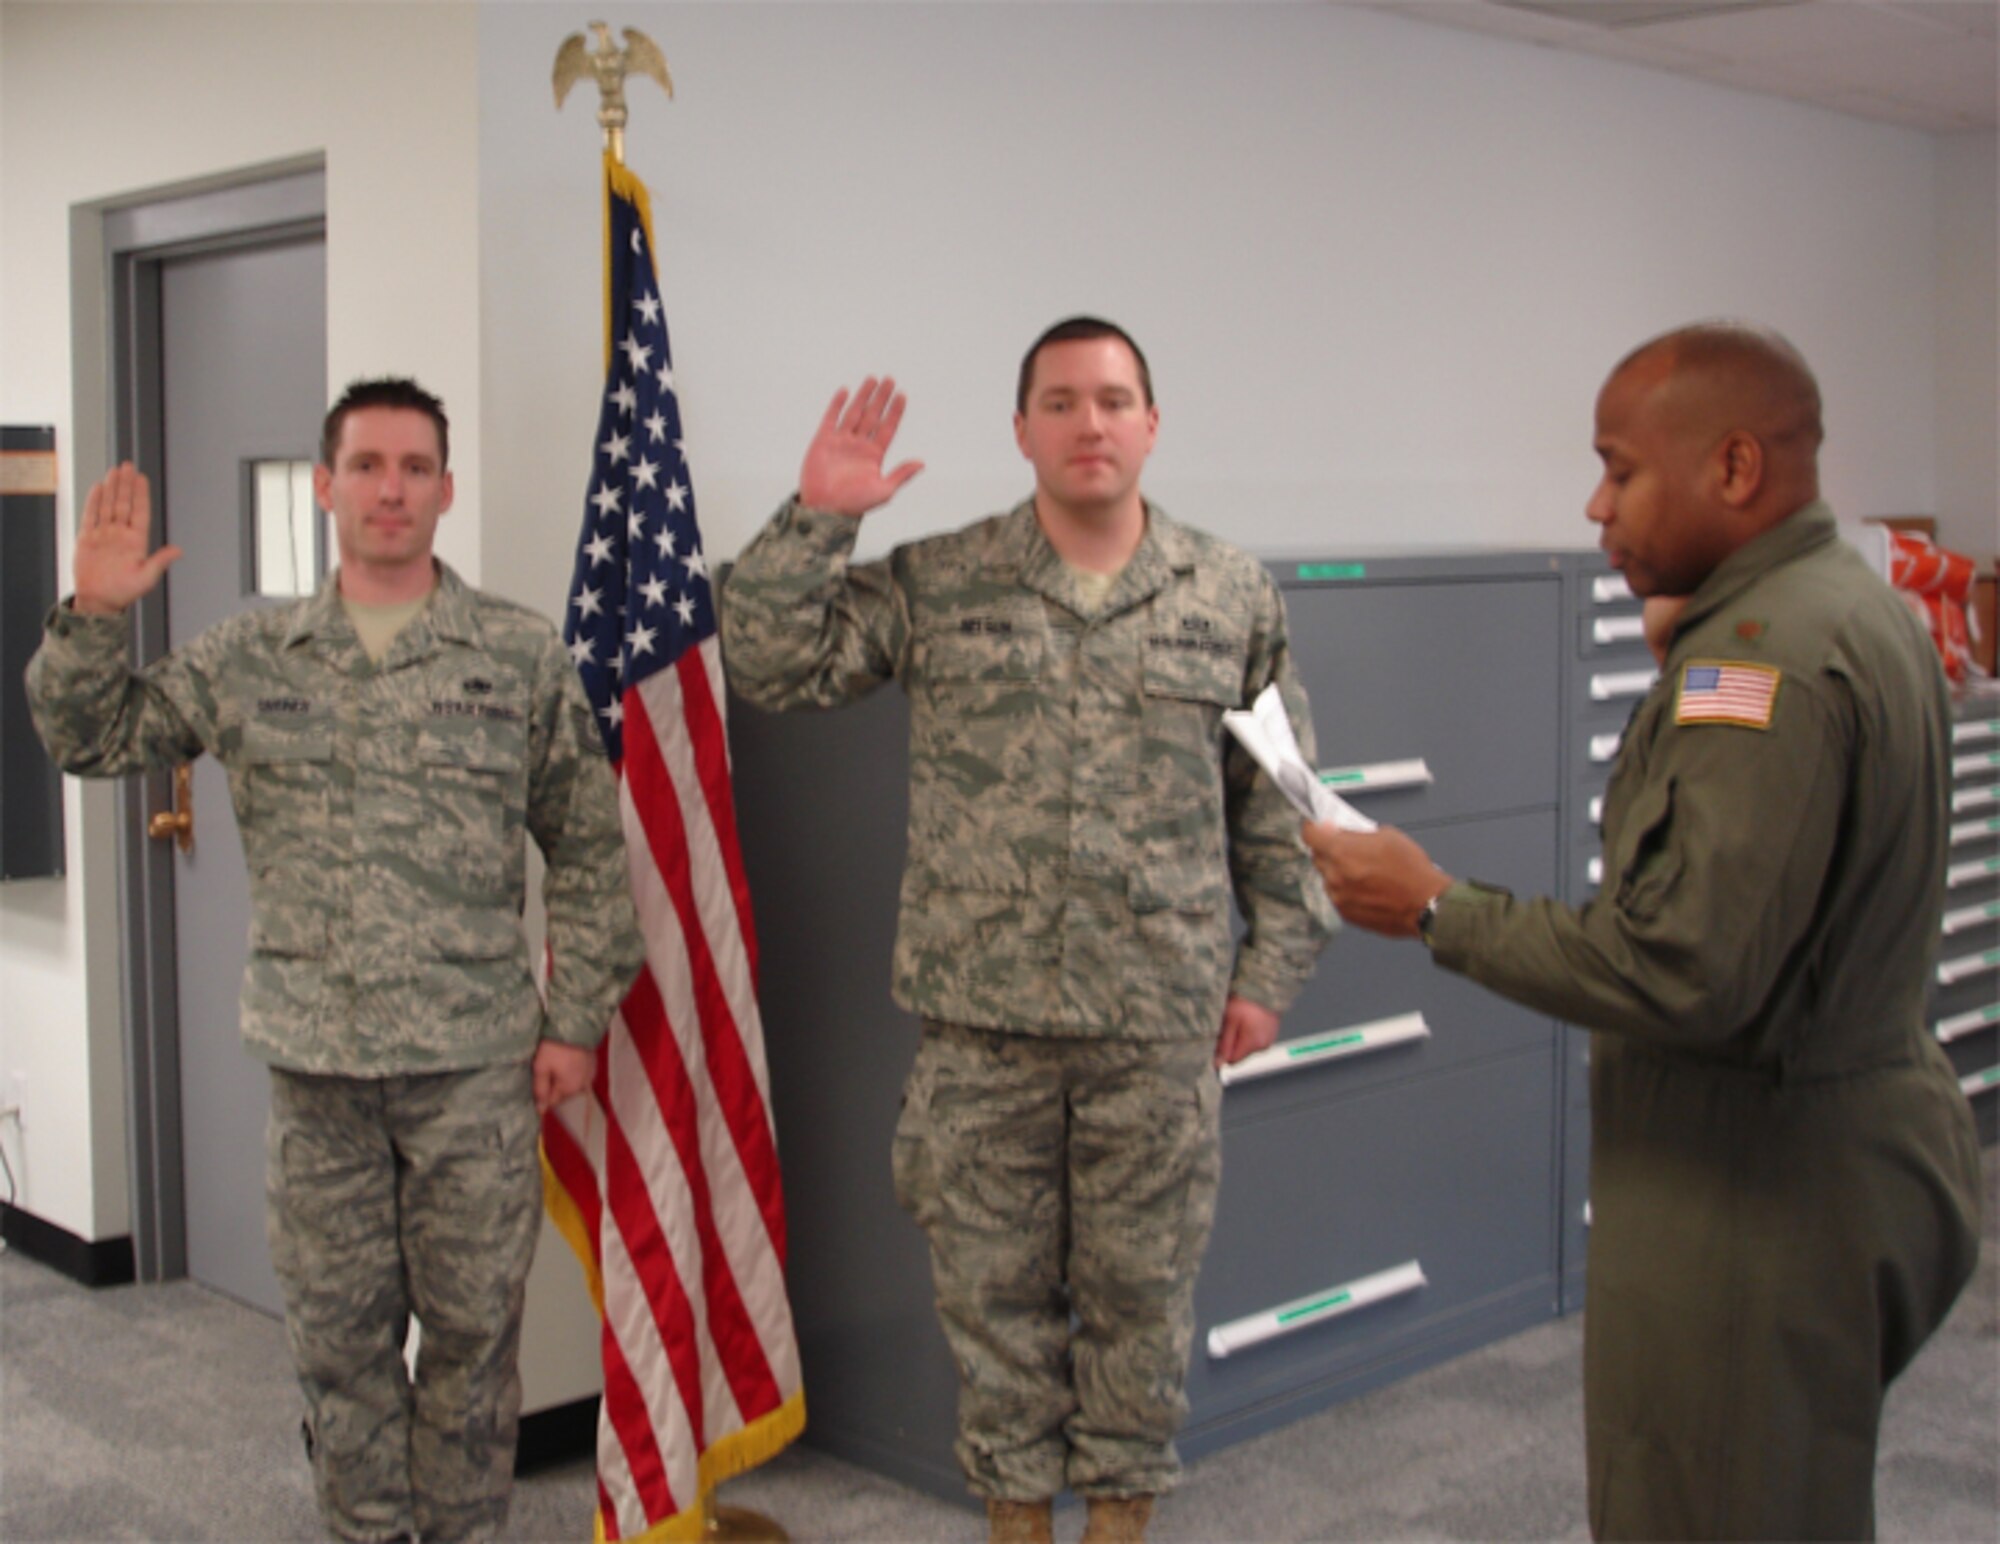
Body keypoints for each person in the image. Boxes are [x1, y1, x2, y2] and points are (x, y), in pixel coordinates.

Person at [1304, 323, 1982, 1541]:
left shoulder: (1763, 661)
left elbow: (1684, 968)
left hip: (1750, 1187)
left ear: (1730, 469)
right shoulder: (1841, 605)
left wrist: (1434, 908)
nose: (1594, 502)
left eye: (1619, 469)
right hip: (1850, 1139)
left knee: (1700, 1502)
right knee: (1786, 1492)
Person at [721, 318, 1333, 1544]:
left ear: (1150, 424)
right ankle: (1016, 1523)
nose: (1088, 422)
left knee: (1139, 1300)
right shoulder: (942, 577)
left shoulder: (1227, 593)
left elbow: (1281, 800)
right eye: (1060, 401)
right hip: (980, 1023)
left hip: (1152, 1022)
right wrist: (815, 515)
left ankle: (1116, 1524)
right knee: (989, 1303)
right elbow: (769, 660)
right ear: (1021, 430)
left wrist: (1269, 969)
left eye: (1112, 399)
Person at [26, 378, 643, 1543]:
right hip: (318, 1074)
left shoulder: (514, 654)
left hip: (474, 1071)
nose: (391, 489)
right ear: (325, 487)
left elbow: (589, 847)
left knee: (472, 1344)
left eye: (415, 467)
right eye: (366, 465)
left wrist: (572, 1019)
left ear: (445, 490)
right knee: (340, 1346)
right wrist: (93, 615)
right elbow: (93, 735)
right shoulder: (254, 654)